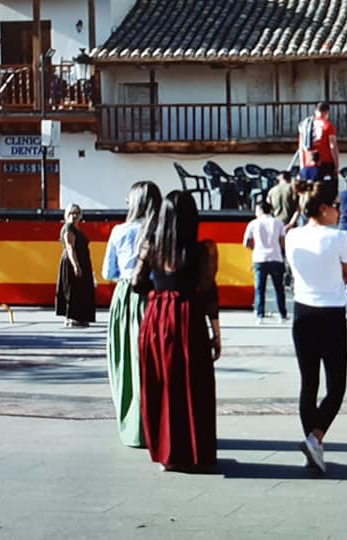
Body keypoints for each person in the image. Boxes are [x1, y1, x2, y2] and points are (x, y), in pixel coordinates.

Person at [137, 190, 220, 472]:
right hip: (188, 317)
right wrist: (216, 333)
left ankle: (166, 453)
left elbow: (137, 283)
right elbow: (209, 293)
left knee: (161, 383)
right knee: (192, 383)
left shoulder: (151, 247)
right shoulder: (202, 251)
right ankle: (194, 452)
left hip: (157, 318)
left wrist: (160, 292)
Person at [285, 181, 347, 473]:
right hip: (331, 313)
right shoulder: (338, 237)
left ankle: (313, 444)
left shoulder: (292, 235)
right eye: (337, 206)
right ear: (324, 208)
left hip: (302, 310)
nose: (339, 211)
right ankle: (316, 438)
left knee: (309, 383)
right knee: (337, 384)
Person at [103, 181, 162, 448]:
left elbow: (108, 272)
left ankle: (133, 425)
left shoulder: (120, 231)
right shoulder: (161, 231)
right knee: (153, 363)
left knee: (126, 361)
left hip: (126, 298)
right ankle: (157, 427)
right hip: (155, 297)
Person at [243, 201, 287, 324]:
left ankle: (260, 315)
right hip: (276, 257)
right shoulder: (278, 222)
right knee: (279, 288)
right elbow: (283, 241)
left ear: (261, 210)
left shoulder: (253, 223)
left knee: (260, 289)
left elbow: (246, 242)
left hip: (259, 258)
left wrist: (255, 249)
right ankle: (282, 315)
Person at [56, 204, 96, 328]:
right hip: (73, 261)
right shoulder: (69, 228)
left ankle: (80, 317)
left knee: (81, 289)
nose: (74, 216)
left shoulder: (76, 229)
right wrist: (76, 265)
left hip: (81, 261)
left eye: (77, 213)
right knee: (74, 290)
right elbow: (70, 248)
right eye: (71, 213)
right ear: (66, 215)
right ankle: (72, 318)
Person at [298, 102, 339, 185]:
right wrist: (336, 164)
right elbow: (332, 146)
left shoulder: (305, 125)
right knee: (326, 189)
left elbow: (301, 147)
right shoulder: (328, 125)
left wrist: (302, 164)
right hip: (326, 162)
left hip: (308, 162)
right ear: (326, 112)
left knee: (308, 188)